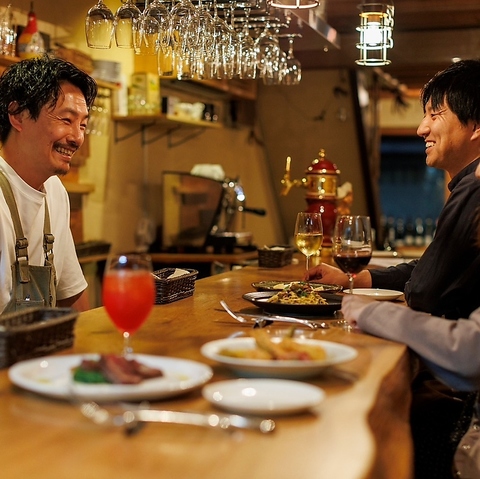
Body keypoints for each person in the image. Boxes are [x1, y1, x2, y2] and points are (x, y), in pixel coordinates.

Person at [305, 60, 480, 320]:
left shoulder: (473, 187)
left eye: (435, 115)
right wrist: (355, 278)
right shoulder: (468, 186)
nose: (421, 129)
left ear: (476, 126)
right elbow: (431, 269)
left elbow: (422, 292)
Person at [0, 55, 97, 314]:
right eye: (66, 120)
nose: (77, 138)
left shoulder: (54, 190)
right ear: (17, 115)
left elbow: (71, 295)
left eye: (83, 125)